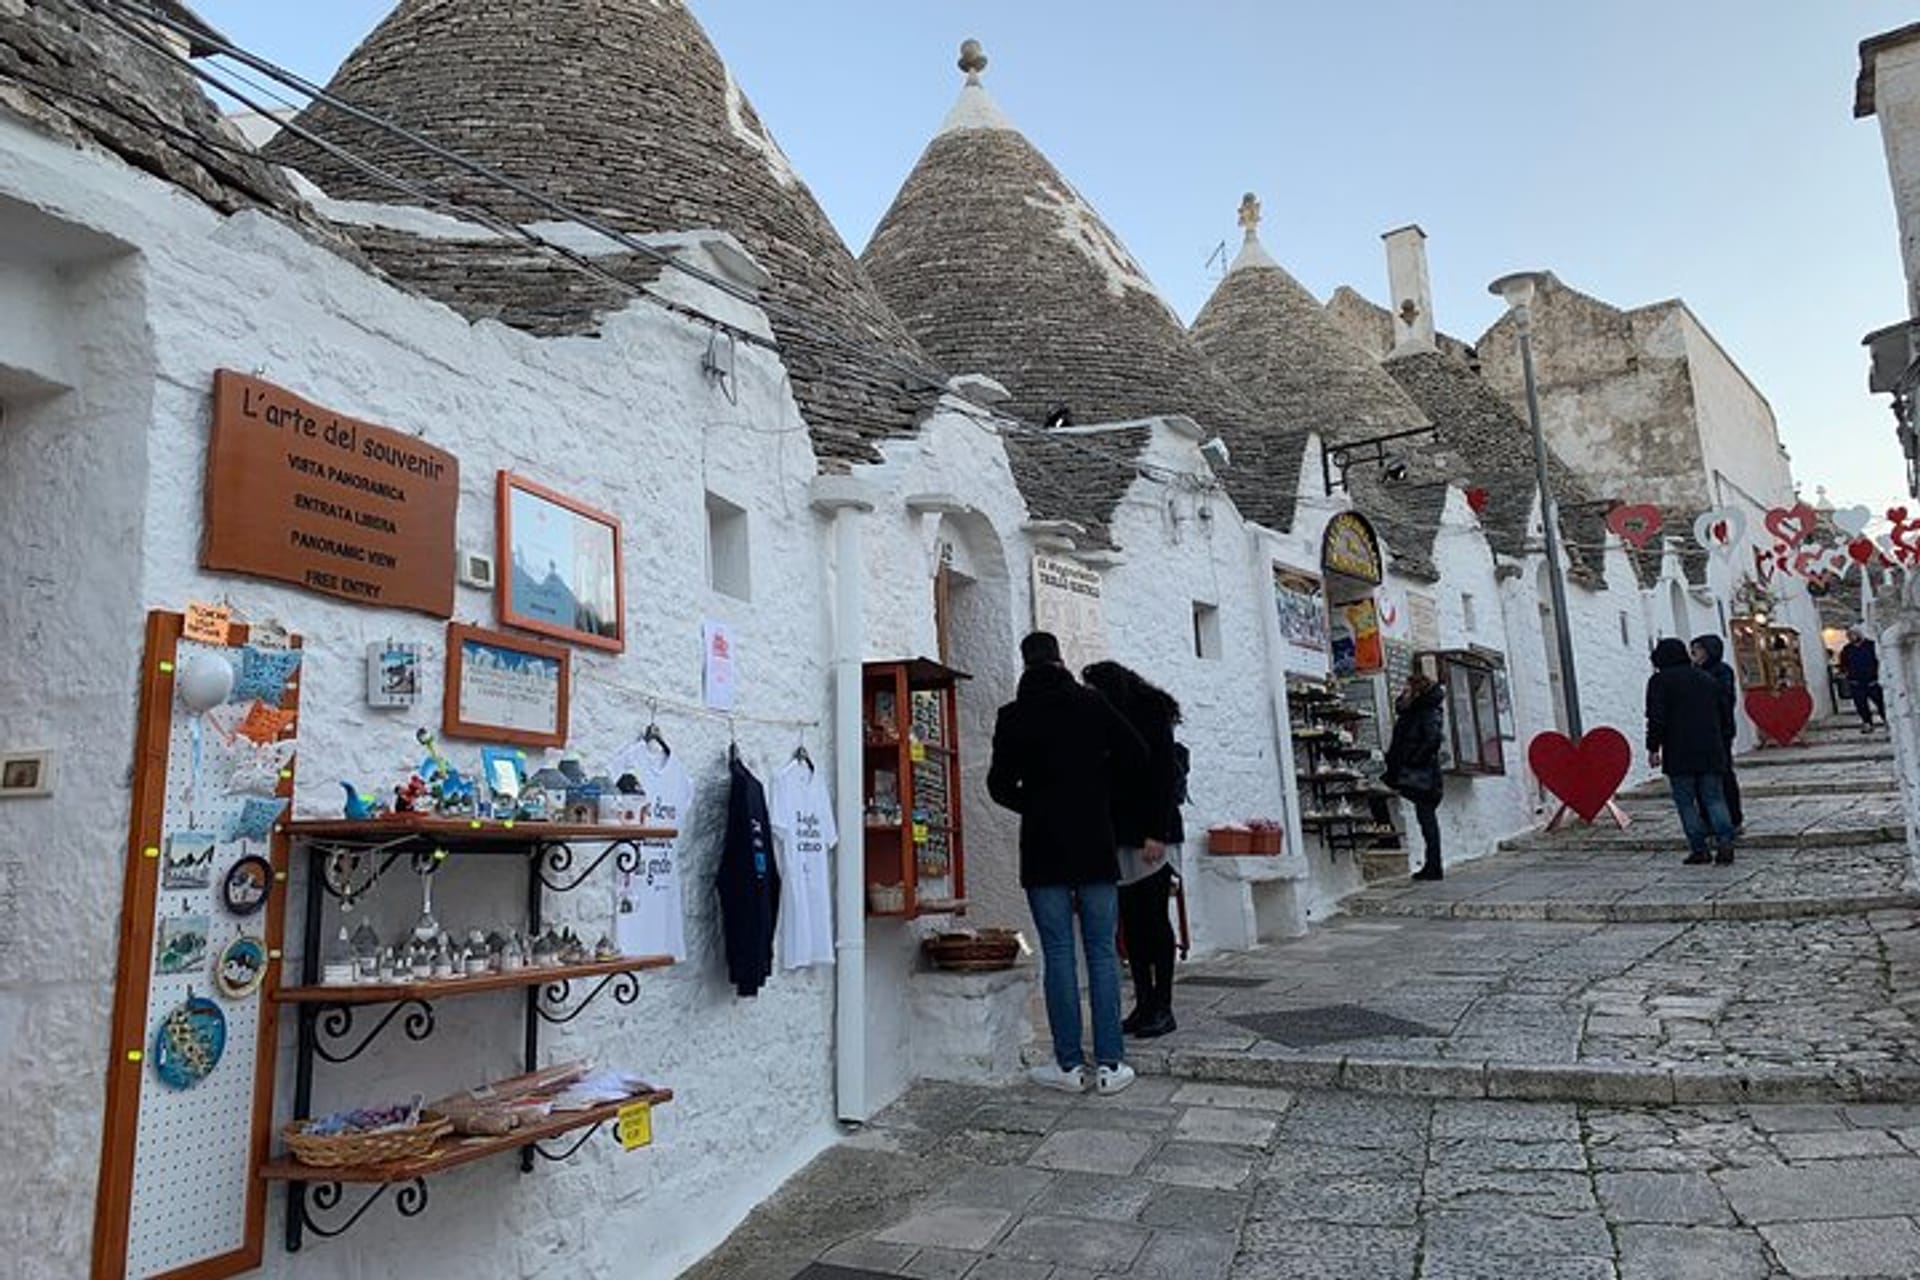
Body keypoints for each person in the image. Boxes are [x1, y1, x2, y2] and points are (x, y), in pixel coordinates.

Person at [988, 632, 1147, 1095]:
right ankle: (1111, 1064)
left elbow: (998, 785)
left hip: (1043, 846)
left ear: (1025, 664)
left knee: (1057, 953)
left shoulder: (1013, 715)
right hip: (1094, 841)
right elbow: (1137, 755)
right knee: (1101, 951)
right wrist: (1099, 796)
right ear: (1060, 660)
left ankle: (1069, 1064)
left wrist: (1037, 805)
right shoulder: (1091, 703)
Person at [1082, 660, 1185, 1040]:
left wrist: (1156, 832)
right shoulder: (1110, 718)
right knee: (1132, 923)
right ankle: (1144, 1002)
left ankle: (1163, 1005)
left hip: (1151, 833)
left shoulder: (1150, 712)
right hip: (1122, 834)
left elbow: (1162, 775)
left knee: (1154, 920)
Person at [1646, 637, 1737, 865]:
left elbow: (1656, 717)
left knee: (1686, 802)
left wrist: (1653, 747)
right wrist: (1723, 738)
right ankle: (1725, 841)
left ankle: (1699, 848)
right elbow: (1723, 711)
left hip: (1678, 748)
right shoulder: (1706, 679)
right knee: (1714, 798)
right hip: (1710, 746)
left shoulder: (1660, 682)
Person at [1382, 672, 1446, 881]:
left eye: (1407, 689)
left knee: (1426, 819)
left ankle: (1433, 866)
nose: (1403, 693)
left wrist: (1413, 760)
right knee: (1425, 819)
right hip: (1411, 772)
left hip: (1421, 774)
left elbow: (1433, 739)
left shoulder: (1426, 711)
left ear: (1417, 691)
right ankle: (1432, 865)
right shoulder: (1414, 711)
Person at [1689, 634, 1744, 835]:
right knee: (1701, 778)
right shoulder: (1694, 672)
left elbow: (1723, 699)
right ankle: (1707, 819)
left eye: (1699, 649)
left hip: (1720, 731)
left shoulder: (1722, 671)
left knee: (1724, 774)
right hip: (1699, 732)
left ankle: (1733, 818)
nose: (1695, 653)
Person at [1841, 625, 1886, 731]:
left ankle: (1887, 721)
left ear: (1859, 634)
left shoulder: (1871, 645)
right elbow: (1844, 664)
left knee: (1881, 703)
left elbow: (1879, 661)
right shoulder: (1847, 649)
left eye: (1853, 634)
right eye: (1849, 635)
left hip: (1872, 681)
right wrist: (1847, 675)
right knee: (1861, 705)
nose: (1851, 637)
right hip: (1856, 683)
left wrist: (1877, 676)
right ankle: (1867, 723)